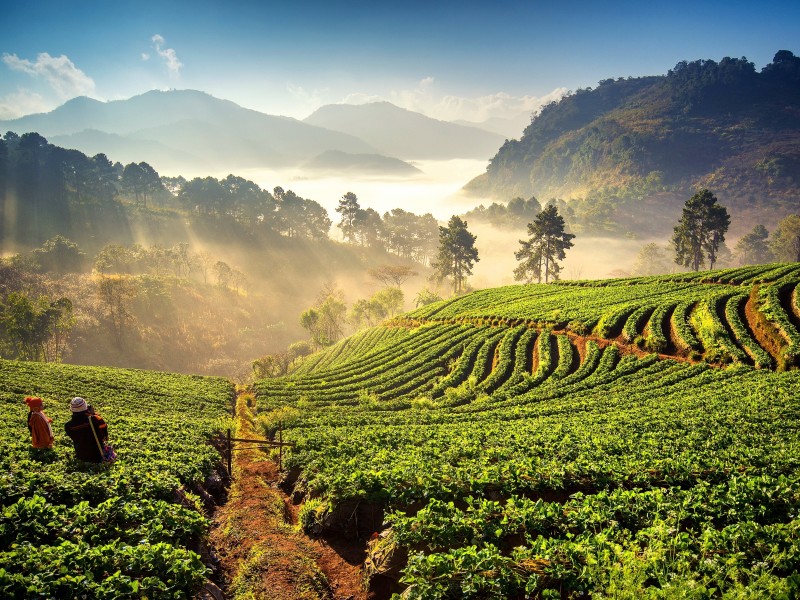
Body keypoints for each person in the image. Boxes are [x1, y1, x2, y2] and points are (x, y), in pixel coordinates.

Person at [64, 397, 108, 463]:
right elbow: (105, 436)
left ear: (72, 410)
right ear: (86, 407)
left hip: (81, 456)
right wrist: (93, 414)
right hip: (98, 455)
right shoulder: (96, 419)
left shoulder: (68, 426)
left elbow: (75, 438)